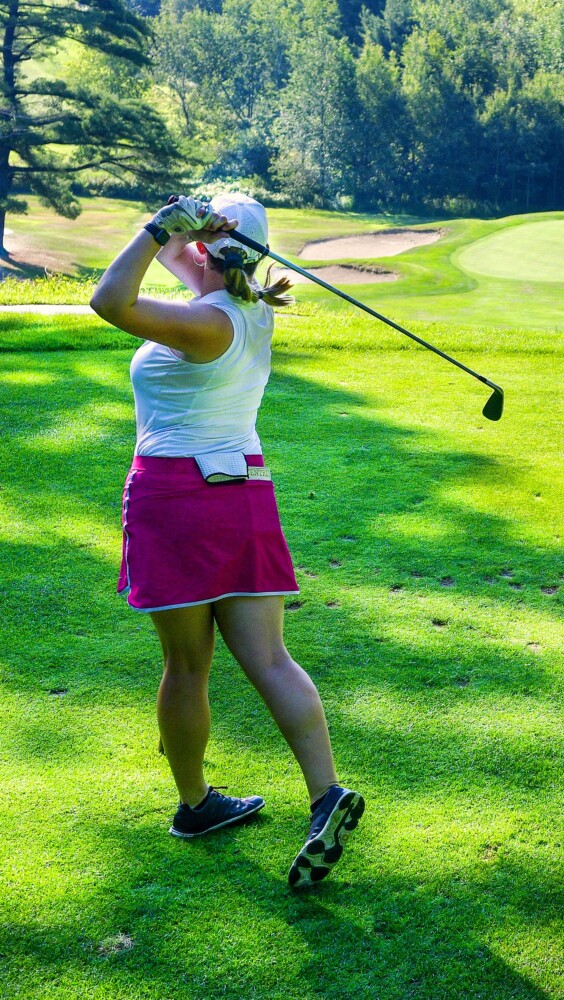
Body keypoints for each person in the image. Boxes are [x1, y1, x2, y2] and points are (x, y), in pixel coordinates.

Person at [90, 193, 363, 888]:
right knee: (269, 657)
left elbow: (109, 301)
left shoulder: (206, 324)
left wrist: (159, 227)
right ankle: (326, 792)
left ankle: (194, 806)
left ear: (215, 245)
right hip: (243, 492)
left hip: (176, 499)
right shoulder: (248, 307)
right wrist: (184, 230)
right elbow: (187, 263)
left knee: (187, 666)